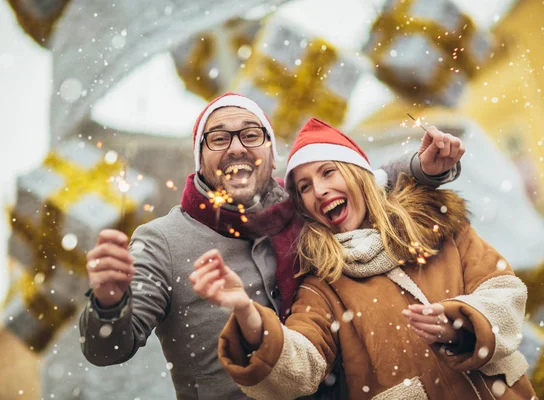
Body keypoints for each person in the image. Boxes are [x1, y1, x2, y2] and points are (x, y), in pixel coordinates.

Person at [79, 93, 464, 400]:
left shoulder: (300, 210)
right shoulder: (161, 240)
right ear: (200, 159)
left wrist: (424, 167)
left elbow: (367, 180)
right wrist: (109, 304)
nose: (236, 147)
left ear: (269, 152)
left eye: (251, 134)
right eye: (218, 137)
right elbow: (107, 350)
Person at [194, 118, 536, 399]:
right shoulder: (322, 288)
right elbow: (300, 367)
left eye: (328, 172)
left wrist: (461, 324)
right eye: (305, 187)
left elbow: (505, 292)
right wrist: (245, 312)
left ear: (359, 174)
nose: (320, 190)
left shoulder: (440, 227)